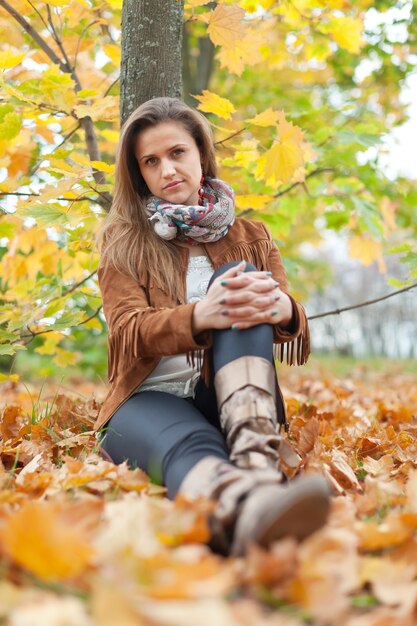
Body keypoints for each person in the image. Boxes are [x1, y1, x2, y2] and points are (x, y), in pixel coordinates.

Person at [95, 97, 330, 556]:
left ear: (200, 153)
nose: (167, 170)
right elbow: (126, 331)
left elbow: (290, 319)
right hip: (145, 400)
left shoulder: (251, 236)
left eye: (177, 153)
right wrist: (201, 316)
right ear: (139, 172)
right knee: (191, 444)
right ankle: (247, 507)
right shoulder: (123, 240)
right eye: (151, 161)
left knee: (239, 279)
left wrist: (281, 307)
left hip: (235, 399)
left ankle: (256, 464)